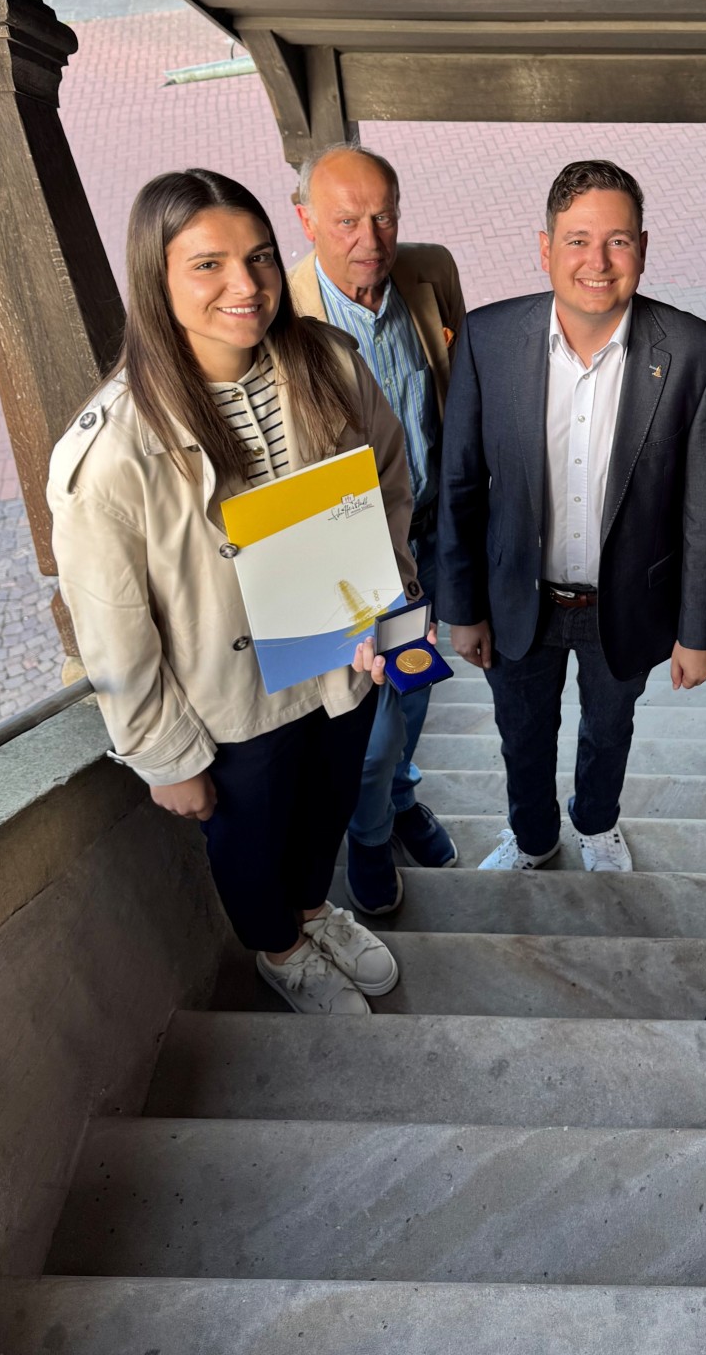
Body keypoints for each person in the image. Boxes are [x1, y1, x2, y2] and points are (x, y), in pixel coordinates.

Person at [49, 168, 421, 1017]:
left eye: (257, 258)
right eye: (207, 265)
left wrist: (386, 589)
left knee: (326, 806)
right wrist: (163, 753)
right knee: (248, 844)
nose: (245, 287)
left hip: (340, 660)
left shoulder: (327, 361)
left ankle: (317, 910)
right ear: (157, 280)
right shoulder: (111, 451)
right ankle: (282, 950)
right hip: (229, 704)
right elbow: (111, 623)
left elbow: (390, 477)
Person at [437, 158, 706, 873]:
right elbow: (459, 483)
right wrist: (463, 606)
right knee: (522, 731)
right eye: (576, 240)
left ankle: (597, 824)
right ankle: (535, 836)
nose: (597, 262)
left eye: (618, 241)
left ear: (642, 247)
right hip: (519, 599)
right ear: (544, 249)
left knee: (610, 728)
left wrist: (701, 632)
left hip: (627, 604)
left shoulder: (699, 353)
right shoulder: (486, 338)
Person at [289, 143, 466, 914]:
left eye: (384, 215)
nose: (372, 237)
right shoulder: (283, 311)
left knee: (415, 693)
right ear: (305, 221)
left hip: (424, 542)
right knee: (366, 716)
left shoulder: (430, 273)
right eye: (346, 220)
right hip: (346, 555)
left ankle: (398, 800)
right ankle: (366, 836)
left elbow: (458, 394)